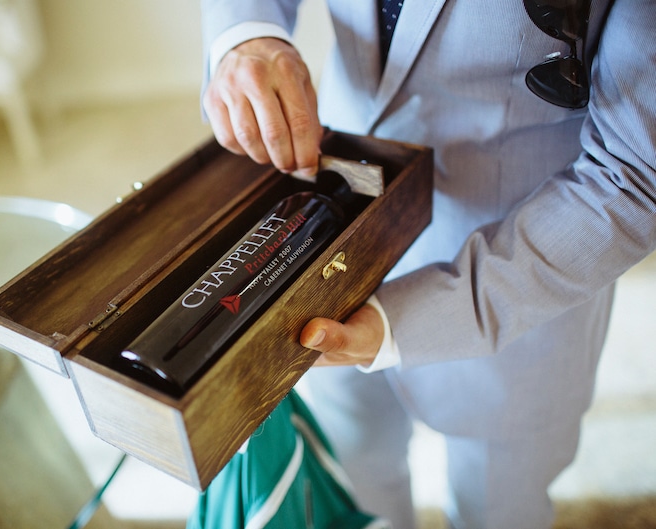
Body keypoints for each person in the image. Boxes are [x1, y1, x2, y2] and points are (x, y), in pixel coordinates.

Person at [200, 1, 656, 528]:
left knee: (500, 510)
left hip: (520, 279)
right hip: (326, 234)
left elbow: (633, 177)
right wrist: (245, 36)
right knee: (356, 484)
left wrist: (401, 323)